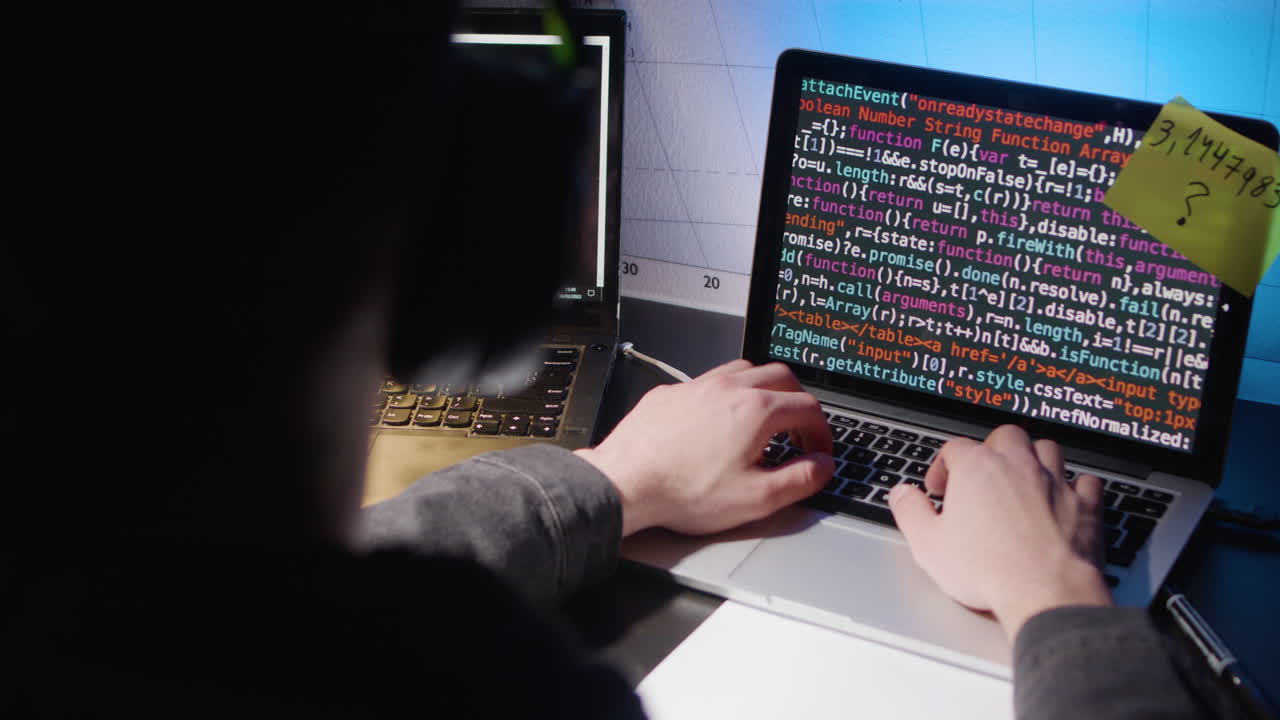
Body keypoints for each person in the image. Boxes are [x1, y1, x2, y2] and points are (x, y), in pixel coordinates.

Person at [5, 4, 1237, 718]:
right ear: (462, 253)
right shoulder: (468, 690)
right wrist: (1058, 602)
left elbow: (278, 603)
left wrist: (609, 482)